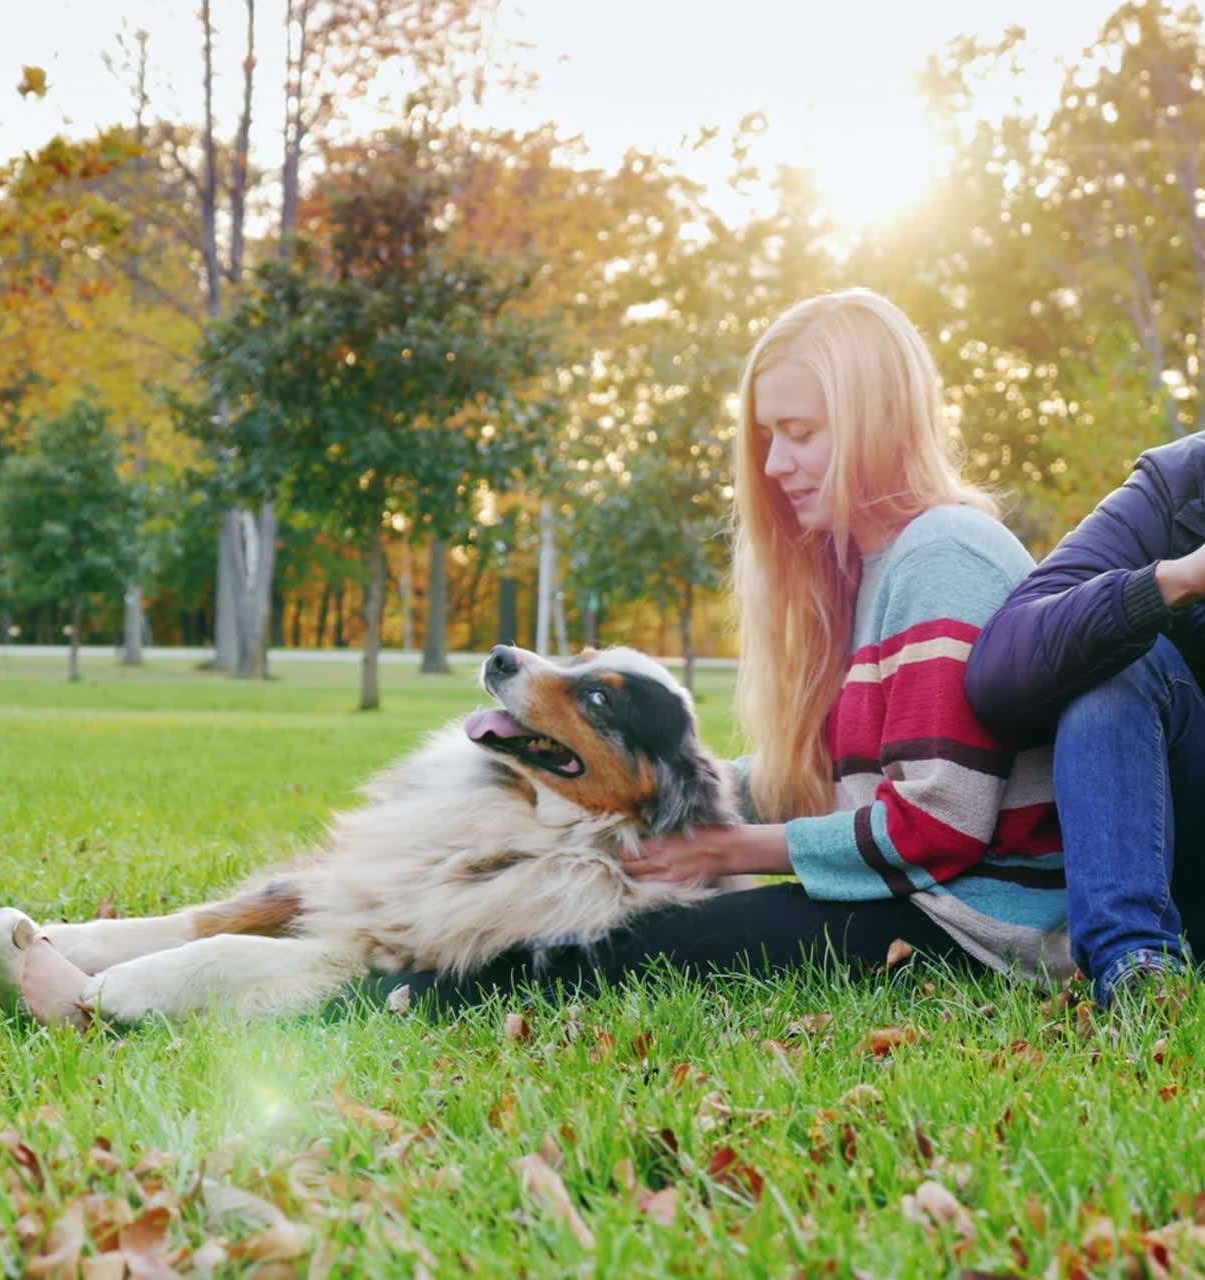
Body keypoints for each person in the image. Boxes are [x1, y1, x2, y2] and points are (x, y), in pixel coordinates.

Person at [363, 288, 1072, 1011]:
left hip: (979, 926)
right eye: (768, 436)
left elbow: (938, 826)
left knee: (641, 945)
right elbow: (830, 778)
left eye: (799, 432)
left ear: (877, 421)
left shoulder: (942, 559)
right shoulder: (865, 571)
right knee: (641, 915)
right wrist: (680, 790)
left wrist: (727, 849)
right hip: (917, 896)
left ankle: (404, 995)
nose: (772, 465)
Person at [965, 341, 1205, 1004]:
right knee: (1118, 644)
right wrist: (1176, 581)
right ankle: (1137, 973)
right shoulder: (1179, 484)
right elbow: (997, 670)